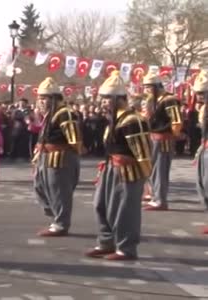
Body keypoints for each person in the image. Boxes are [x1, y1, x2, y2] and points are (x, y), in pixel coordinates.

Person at [86, 71, 152, 260]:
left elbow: (143, 153)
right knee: (101, 204)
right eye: (103, 99)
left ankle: (126, 248)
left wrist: (144, 178)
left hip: (128, 172)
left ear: (119, 99)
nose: (104, 102)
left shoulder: (133, 120)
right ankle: (106, 242)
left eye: (107, 99)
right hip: (109, 168)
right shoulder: (113, 120)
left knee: (125, 210)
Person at [32, 77, 82, 236]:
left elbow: (74, 140)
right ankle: (56, 215)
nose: (40, 102)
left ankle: (61, 223)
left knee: (59, 191)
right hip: (45, 156)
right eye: (39, 98)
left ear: (53, 99)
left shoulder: (65, 113)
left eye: (43, 98)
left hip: (60, 157)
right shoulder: (49, 114)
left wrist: (69, 156)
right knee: (39, 186)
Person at [142, 71, 183, 211]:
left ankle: (161, 200)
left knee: (160, 170)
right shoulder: (154, 100)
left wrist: (172, 135)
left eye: (149, 87)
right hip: (152, 137)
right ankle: (154, 196)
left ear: (156, 86)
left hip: (163, 139)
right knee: (152, 169)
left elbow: (176, 120)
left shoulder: (169, 99)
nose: (147, 90)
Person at [193, 70, 208, 235]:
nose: (199, 96)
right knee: (201, 184)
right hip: (205, 146)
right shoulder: (203, 108)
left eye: (202, 93)